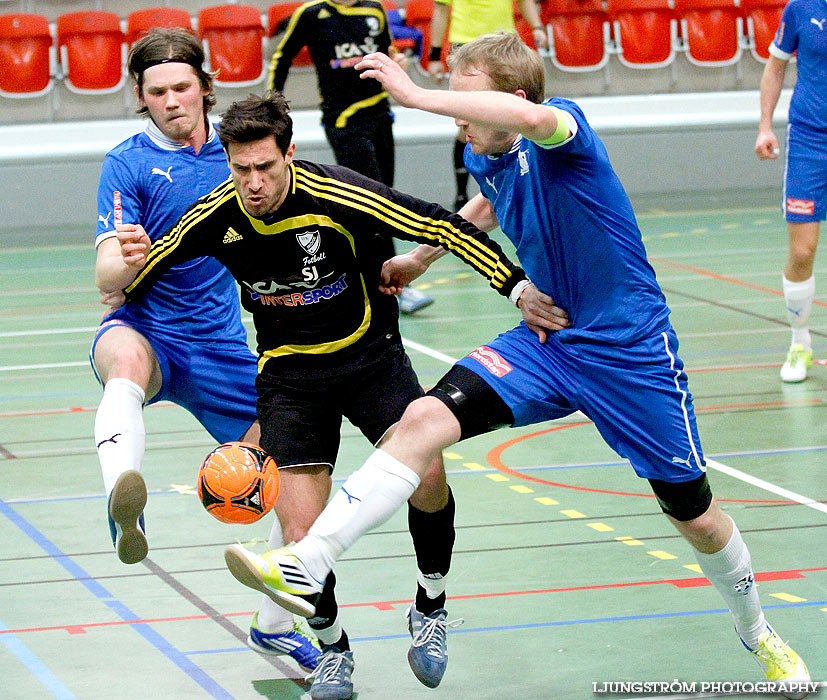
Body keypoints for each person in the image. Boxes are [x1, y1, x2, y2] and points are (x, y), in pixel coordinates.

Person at [224, 34, 813, 697]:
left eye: (463, 98)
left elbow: (537, 122)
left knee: (695, 516)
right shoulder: (488, 154)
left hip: (628, 352)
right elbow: (487, 200)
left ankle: (757, 630)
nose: (453, 114)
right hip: (545, 342)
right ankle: (310, 559)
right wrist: (422, 258)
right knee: (420, 421)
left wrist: (413, 94)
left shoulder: (566, 129)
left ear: (512, 99)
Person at [116, 91, 567, 699]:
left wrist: (514, 288)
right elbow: (146, 272)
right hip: (288, 378)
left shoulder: (336, 193)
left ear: (290, 154)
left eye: (266, 169)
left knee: (428, 478)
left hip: (370, 358)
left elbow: (440, 222)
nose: (253, 183)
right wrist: (122, 274)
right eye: (241, 169)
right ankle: (333, 650)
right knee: (300, 541)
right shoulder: (215, 215)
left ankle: (429, 607)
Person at [91, 28, 320, 673]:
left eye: (182, 88)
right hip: (146, 327)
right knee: (124, 368)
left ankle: (275, 625)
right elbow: (106, 273)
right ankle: (123, 503)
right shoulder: (128, 162)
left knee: (296, 464)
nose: (171, 101)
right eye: (157, 91)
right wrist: (122, 265)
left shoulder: (239, 156)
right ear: (140, 96)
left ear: (204, 87)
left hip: (219, 344)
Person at [267, 0, 435, 314]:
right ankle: (396, 283)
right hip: (344, 121)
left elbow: (386, 55)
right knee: (376, 200)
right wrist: (273, 105)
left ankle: (369, 275)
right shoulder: (312, 15)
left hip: (381, 117)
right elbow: (282, 57)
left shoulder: (373, 11)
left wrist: (398, 64)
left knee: (385, 195)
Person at [754, 0, 826, 383]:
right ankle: (800, 342)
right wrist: (765, 126)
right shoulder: (800, 9)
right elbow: (775, 67)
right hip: (810, 141)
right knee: (802, 249)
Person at [426, 0, 548, 210]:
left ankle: (517, 185)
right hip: (467, 46)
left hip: (504, 48)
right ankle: (463, 193)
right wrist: (435, 54)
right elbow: (440, 9)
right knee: (468, 127)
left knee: (512, 121)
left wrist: (536, 26)